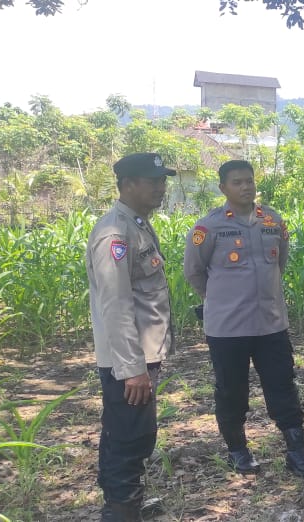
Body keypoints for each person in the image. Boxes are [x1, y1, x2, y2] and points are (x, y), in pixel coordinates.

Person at [182, 159, 304, 477]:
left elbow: (279, 264)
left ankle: (297, 452)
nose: (246, 187)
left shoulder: (272, 220)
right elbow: (194, 272)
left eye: (250, 181)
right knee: (232, 391)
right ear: (223, 188)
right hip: (227, 329)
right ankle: (238, 452)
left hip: (270, 324)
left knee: (283, 386)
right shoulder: (208, 227)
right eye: (238, 182)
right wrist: (221, 300)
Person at [86, 152, 174, 521]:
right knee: (128, 438)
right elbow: (117, 305)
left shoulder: (136, 224)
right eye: (152, 181)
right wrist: (133, 369)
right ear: (127, 185)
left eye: (162, 181)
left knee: (133, 434)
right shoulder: (114, 233)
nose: (160, 187)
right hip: (129, 362)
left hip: (141, 356)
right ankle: (121, 511)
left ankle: (127, 504)